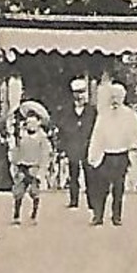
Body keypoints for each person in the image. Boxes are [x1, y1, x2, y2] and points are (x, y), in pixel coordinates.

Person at [86, 83, 137, 227]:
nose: (114, 100)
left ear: (123, 98)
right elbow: (97, 135)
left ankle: (116, 216)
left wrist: (135, 146)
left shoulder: (129, 115)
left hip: (121, 155)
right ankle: (98, 215)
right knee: (101, 188)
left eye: (118, 97)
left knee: (118, 188)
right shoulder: (104, 115)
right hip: (106, 155)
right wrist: (93, 155)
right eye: (112, 97)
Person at [56, 78, 97, 210]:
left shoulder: (92, 111)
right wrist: (63, 146)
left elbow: (96, 128)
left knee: (89, 175)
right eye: (76, 92)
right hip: (72, 145)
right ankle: (74, 201)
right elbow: (63, 128)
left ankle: (92, 202)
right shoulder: (67, 110)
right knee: (73, 174)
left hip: (87, 146)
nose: (79, 96)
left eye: (81, 92)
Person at [9, 110, 52, 225]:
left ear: (38, 123)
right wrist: (15, 165)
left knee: (34, 192)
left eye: (33, 122)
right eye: (28, 123)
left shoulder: (42, 138)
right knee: (18, 192)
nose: (31, 125)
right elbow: (16, 151)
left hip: (35, 167)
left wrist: (41, 173)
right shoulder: (21, 136)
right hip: (22, 166)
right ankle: (16, 214)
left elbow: (45, 156)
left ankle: (33, 215)